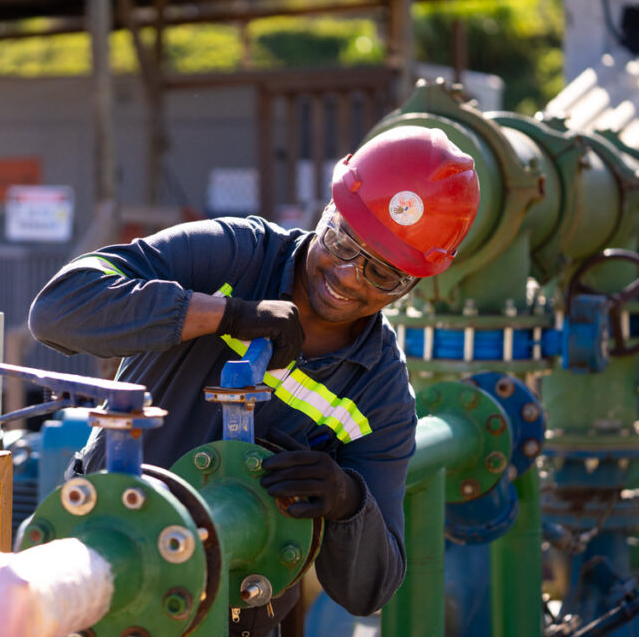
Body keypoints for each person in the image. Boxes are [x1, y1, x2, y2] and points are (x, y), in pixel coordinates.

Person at [28, 125, 480, 636]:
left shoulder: (377, 393)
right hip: (101, 573)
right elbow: (57, 309)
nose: (349, 275)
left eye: (382, 275)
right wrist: (223, 314)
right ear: (327, 211)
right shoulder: (232, 257)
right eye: (342, 241)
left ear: (413, 285)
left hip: (237, 619)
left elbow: (369, 589)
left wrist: (347, 500)